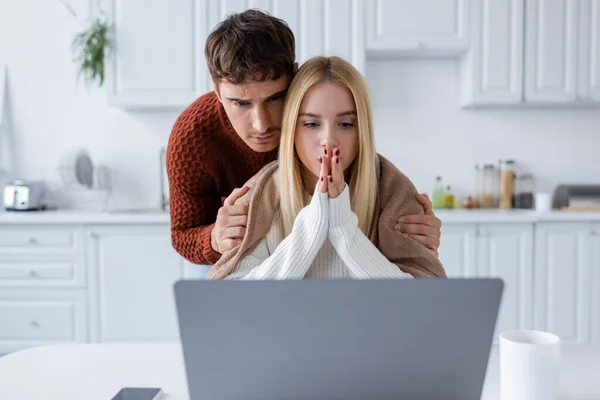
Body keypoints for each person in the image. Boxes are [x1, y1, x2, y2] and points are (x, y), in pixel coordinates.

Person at [166, 9, 442, 266]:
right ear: (216, 90)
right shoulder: (192, 138)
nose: (261, 124)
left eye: (275, 98)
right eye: (241, 103)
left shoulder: (316, 112)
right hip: (237, 244)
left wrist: (412, 230)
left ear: (294, 76)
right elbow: (182, 235)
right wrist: (214, 238)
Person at [206, 56, 446, 280]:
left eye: (345, 124)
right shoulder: (260, 195)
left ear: (361, 129)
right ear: (292, 128)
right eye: (311, 123)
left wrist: (343, 228)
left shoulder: (393, 191)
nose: (329, 139)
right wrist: (314, 223)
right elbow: (234, 300)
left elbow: (420, 301)